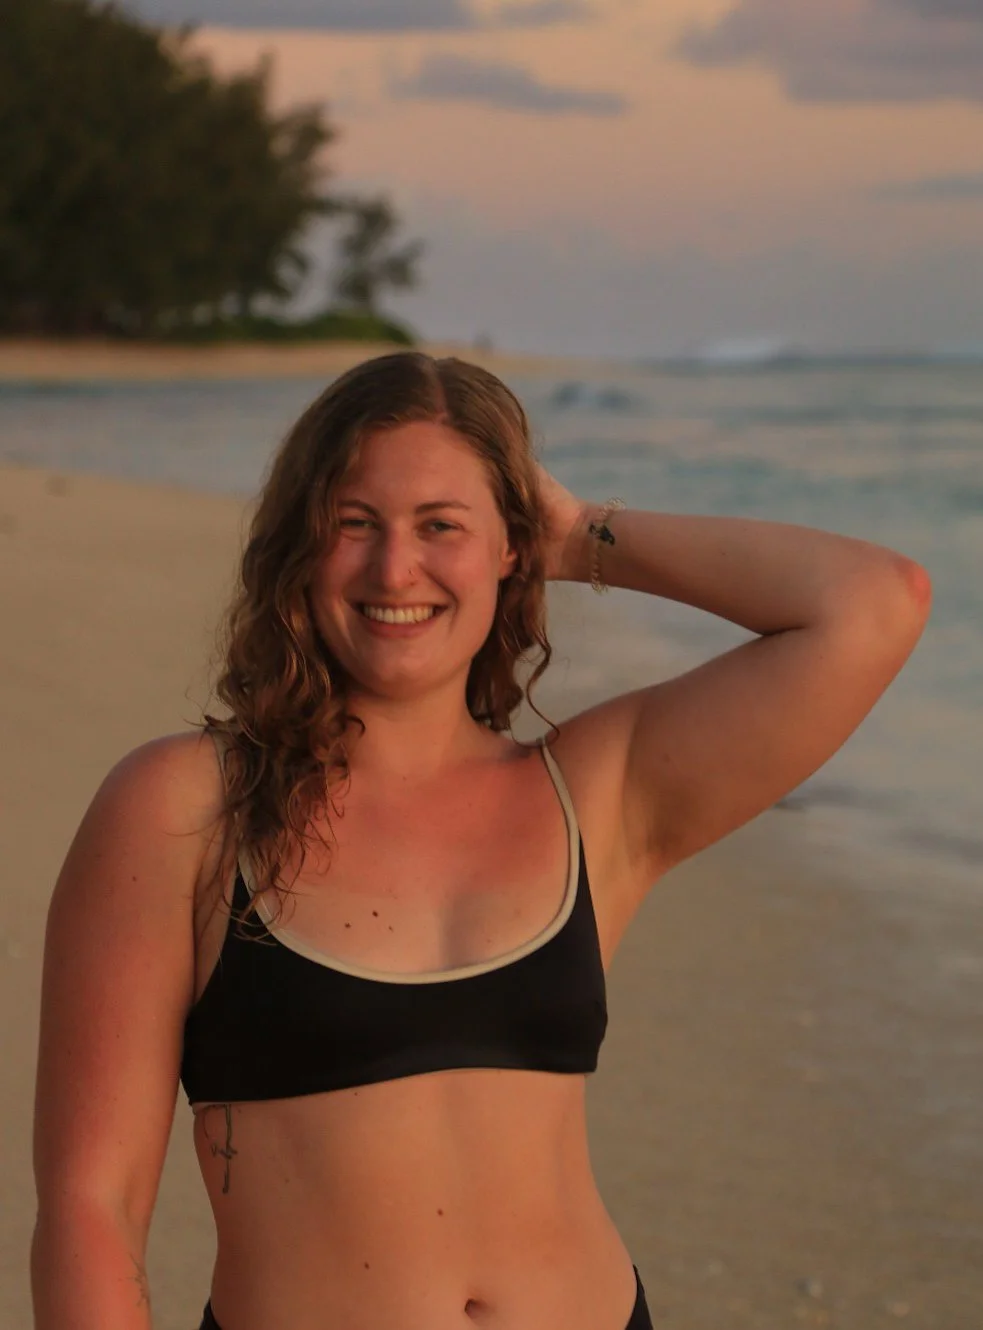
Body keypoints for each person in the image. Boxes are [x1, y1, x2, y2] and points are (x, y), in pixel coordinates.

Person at [31, 351, 931, 1330]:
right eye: (353, 523)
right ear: (300, 543)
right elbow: (94, 1204)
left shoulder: (593, 791)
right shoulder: (188, 806)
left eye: (440, 527)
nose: (393, 569)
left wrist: (582, 535)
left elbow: (871, 603)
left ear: (509, 548)